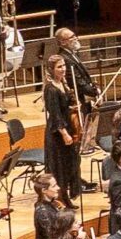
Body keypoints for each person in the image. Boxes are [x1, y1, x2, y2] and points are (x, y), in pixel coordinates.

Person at [42, 57, 82, 202]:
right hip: (57, 133)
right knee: (59, 167)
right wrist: (64, 133)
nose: (63, 69)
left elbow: (65, 108)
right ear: (51, 70)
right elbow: (55, 114)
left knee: (71, 164)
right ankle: (60, 199)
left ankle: (66, 196)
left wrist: (73, 106)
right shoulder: (50, 89)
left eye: (64, 66)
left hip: (68, 128)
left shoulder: (62, 84)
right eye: (59, 67)